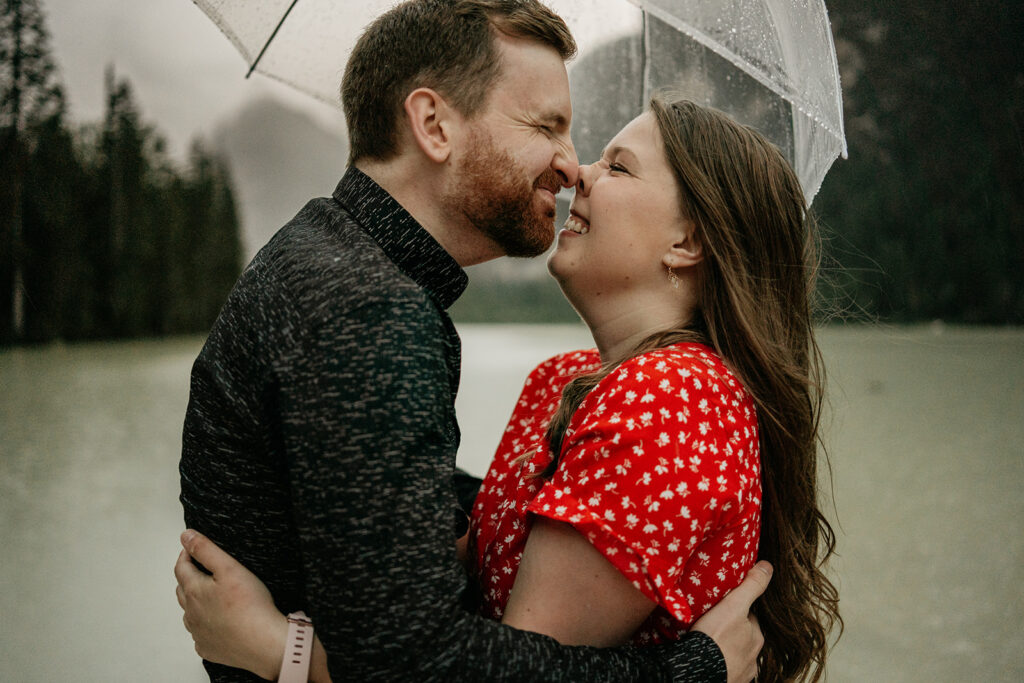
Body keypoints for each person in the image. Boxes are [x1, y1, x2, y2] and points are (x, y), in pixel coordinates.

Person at [178, 0, 765, 681]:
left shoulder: (327, 258)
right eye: (547, 126)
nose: (571, 168)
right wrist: (693, 670)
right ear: (433, 125)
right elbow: (419, 662)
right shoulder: (370, 311)